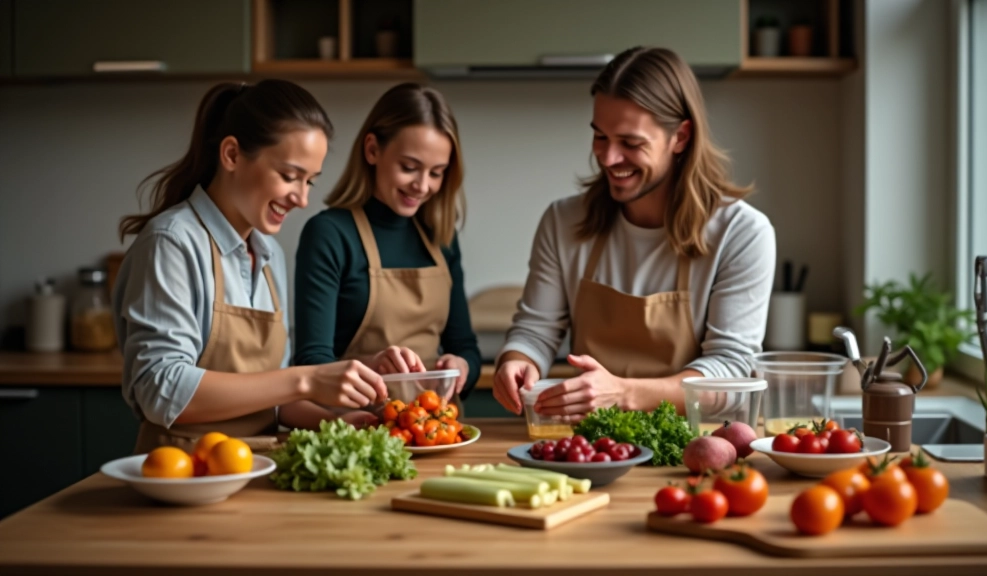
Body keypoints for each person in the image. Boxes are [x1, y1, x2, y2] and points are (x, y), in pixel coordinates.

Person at [492, 47, 776, 421]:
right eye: (600, 137)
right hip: (595, 447)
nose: (608, 158)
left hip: (696, 450)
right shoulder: (563, 221)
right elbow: (536, 331)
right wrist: (517, 359)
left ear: (681, 137)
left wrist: (624, 393)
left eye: (630, 143)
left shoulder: (741, 233)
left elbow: (731, 373)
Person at [115, 79, 386, 454]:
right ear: (231, 155)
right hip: (184, 477)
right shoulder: (172, 242)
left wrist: (335, 421)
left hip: (259, 469)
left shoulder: (269, 253)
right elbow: (161, 389)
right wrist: (305, 379)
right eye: (289, 176)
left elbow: (270, 396)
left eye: (310, 181)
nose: (303, 198)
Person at [291, 83, 481, 425]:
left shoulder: (441, 236)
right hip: (357, 429)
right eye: (409, 167)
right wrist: (371, 365)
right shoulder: (330, 234)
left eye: (436, 173)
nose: (422, 186)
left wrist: (461, 366)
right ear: (372, 149)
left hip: (435, 430)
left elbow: (464, 344)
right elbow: (311, 362)